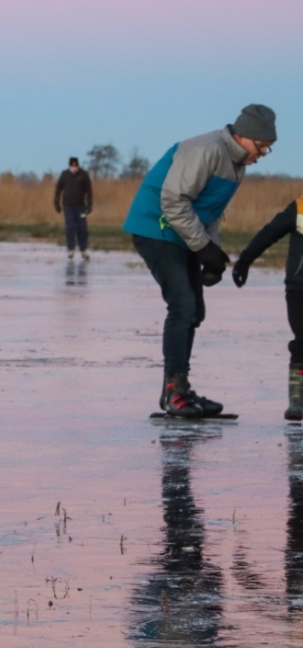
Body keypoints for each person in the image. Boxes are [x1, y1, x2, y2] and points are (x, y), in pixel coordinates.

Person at [123, 104, 276, 417]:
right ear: (245, 136)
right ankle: (173, 394)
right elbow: (173, 200)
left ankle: (181, 389)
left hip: (181, 232)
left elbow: (210, 211)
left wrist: (212, 253)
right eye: (261, 147)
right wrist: (202, 247)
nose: (261, 154)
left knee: (195, 309)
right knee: (183, 305)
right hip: (156, 228)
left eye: (266, 150)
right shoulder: (205, 149)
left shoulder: (237, 164)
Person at [230, 185, 303, 421]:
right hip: (299, 287)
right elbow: (269, 233)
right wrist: (244, 261)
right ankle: (297, 401)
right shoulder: (301, 207)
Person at [54, 156, 92, 259]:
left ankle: (83, 249)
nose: (74, 167)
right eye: (72, 165)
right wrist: (56, 203)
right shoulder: (65, 174)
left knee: (82, 228)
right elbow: (58, 189)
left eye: (76, 165)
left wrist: (89, 205)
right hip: (68, 206)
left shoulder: (83, 175)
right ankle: (71, 249)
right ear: (69, 165)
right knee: (70, 227)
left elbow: (89, 191)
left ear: (78, 165)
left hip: (81, 207)